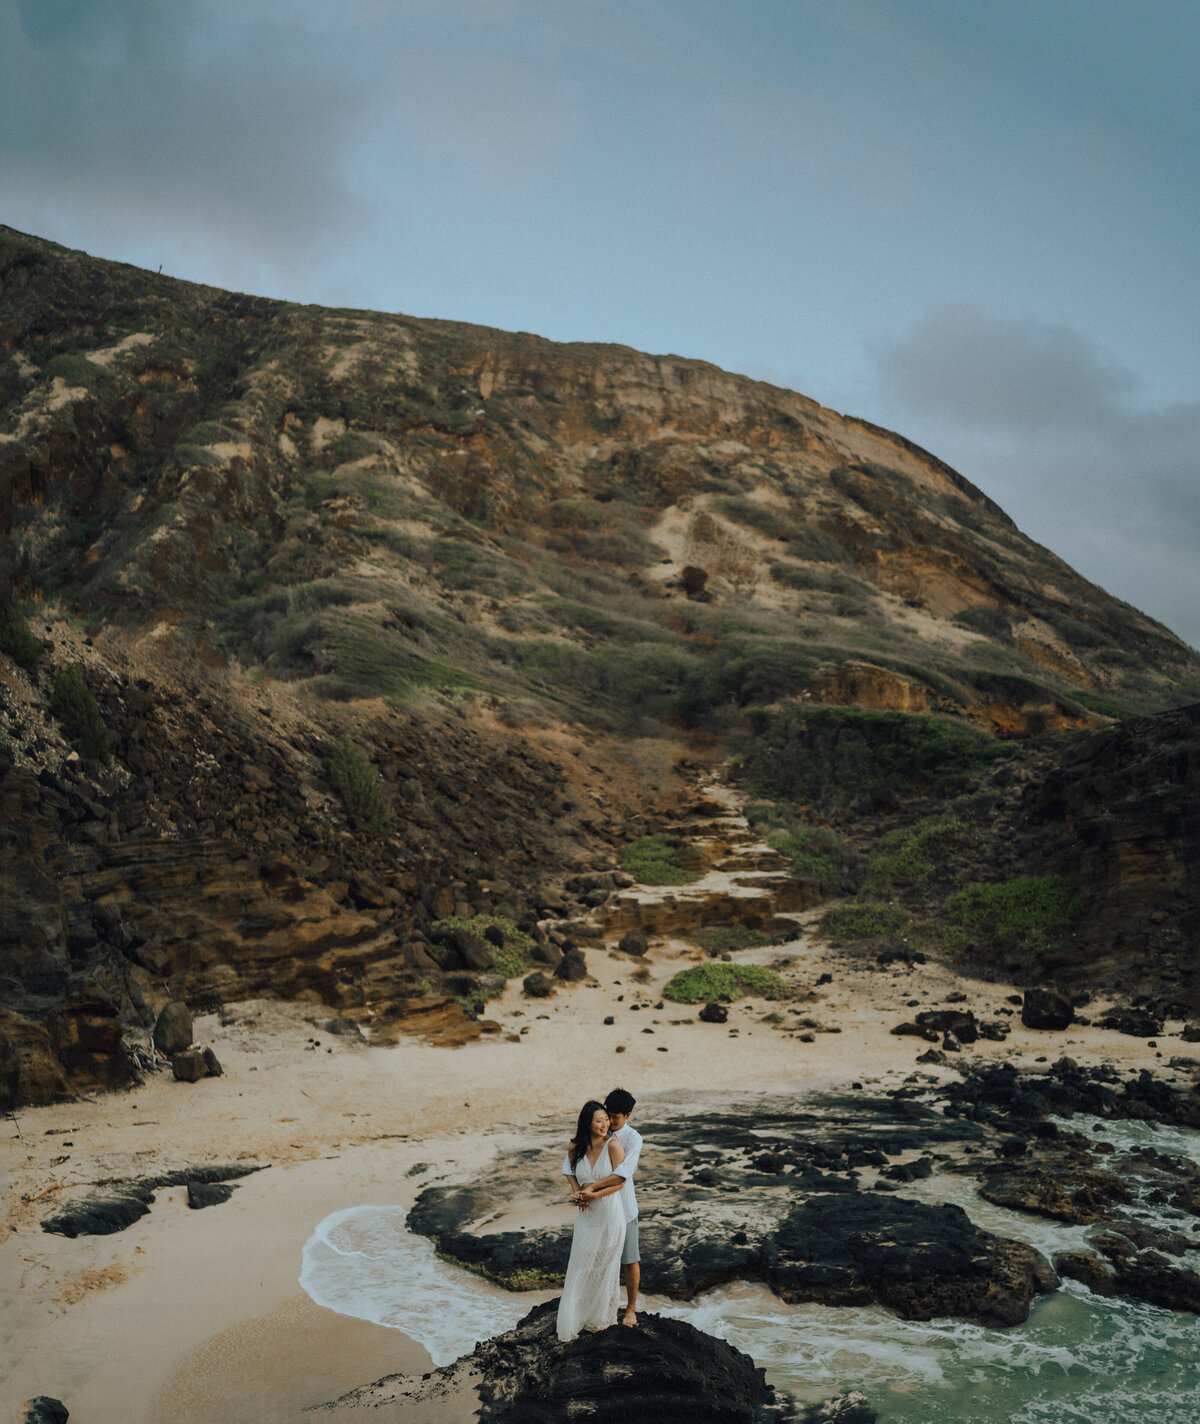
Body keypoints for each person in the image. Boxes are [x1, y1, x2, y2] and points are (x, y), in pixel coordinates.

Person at [557, 1099, 627, 1342]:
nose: (605, 1124)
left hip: (609, 1212)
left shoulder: (613, 1146)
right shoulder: (574, 1148)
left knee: (606, 1264)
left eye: (607, 1120)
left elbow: (620, 1181)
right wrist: (577, 1192)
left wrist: (593, 1193)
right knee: (582, 1261)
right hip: (585, 1214)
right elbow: (569, 1172)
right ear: (588, 1123)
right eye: (600, 1120)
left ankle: (599, 1319)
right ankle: (578, 1315)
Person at [578, 1087, 642, 1326]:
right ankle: (598, 1307)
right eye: (607, 1115)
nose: (609, 1121)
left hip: (624, 1209)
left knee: (629, 1259)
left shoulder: (632, 1139)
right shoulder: (596, 1132)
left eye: (615, 1117)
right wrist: (579, 1190)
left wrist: (593, 1188)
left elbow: (622, 1174)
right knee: (597, 1260)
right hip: (597, 1212)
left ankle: (631, 1309)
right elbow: (570, 1162)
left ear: (627, 1116)